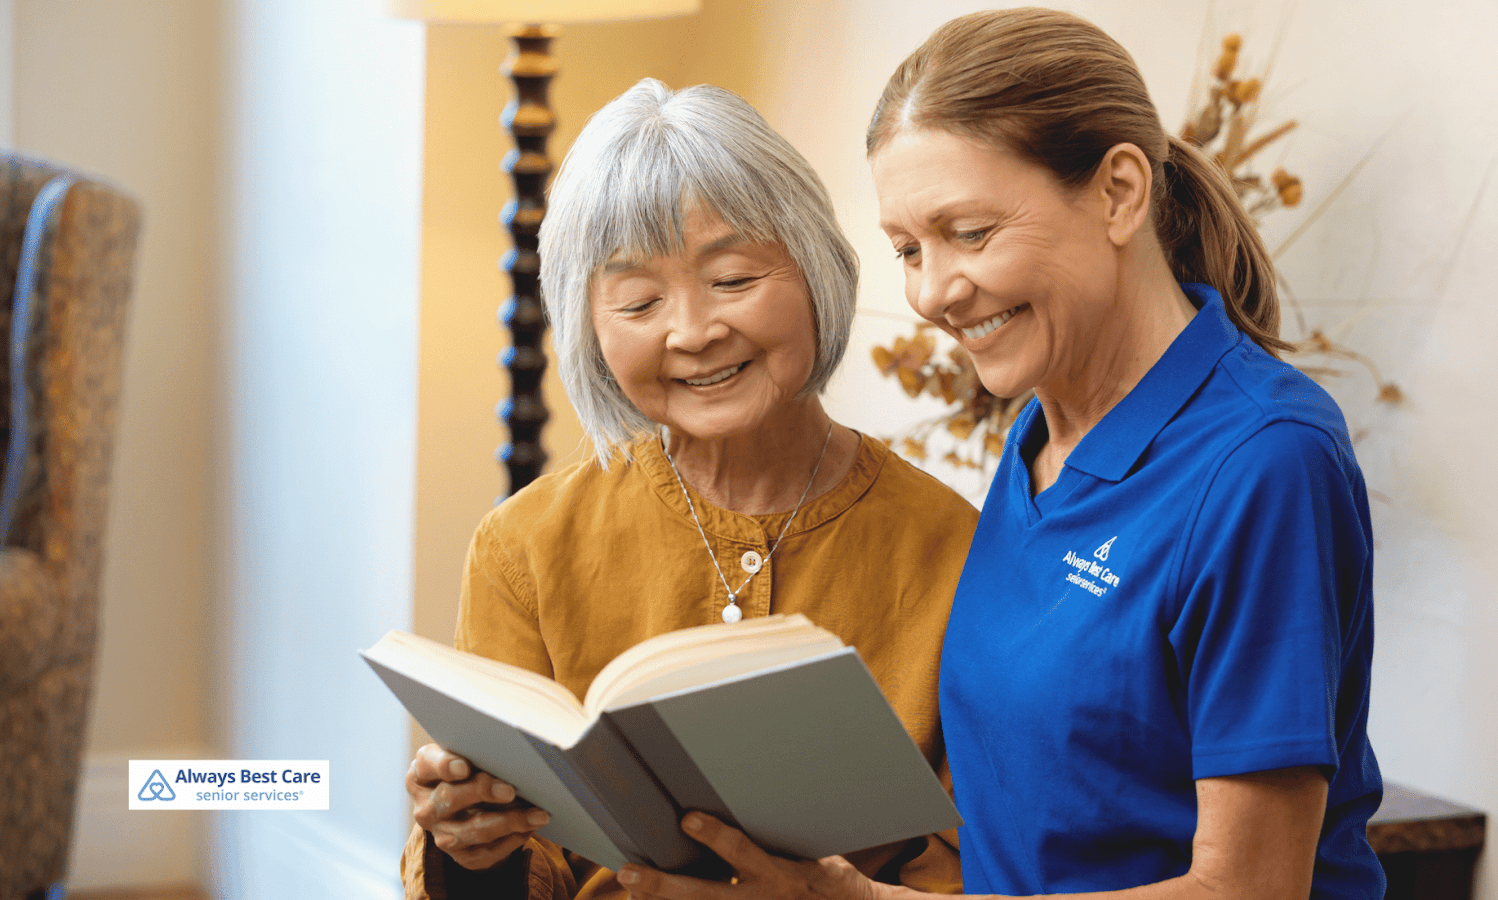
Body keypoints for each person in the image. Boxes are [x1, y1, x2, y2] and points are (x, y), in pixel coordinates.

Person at [617, 8, 1385, 900]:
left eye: (970, 233)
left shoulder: (1265, 464)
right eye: (908, 249)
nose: (934, 293)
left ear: (1119, 193)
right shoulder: (1039, 435)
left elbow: (1246, 892)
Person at [398, 78, 976, 900]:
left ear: (816, 270)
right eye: (637, 300)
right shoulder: (524, 545)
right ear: (590, 329)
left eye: (734, 280)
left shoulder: (957, 548)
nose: (694, 330)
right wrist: (469, 849)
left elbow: (992, 864)